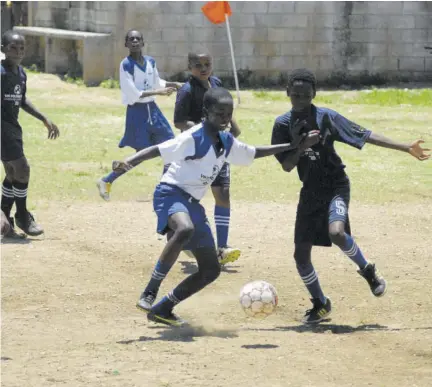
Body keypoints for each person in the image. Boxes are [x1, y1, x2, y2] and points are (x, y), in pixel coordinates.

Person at [113, 87, 309, 327]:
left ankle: (163, 308)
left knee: (211, 270)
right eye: (219, 114)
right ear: (206, 112)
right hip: (170, 193)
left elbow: (254, 152)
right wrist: (129, 162)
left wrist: (291, 145)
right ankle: (150, 291)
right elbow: (158, 150)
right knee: (184, 229)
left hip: (192, 203)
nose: (225, 119)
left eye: (228, 114)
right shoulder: (193, 137)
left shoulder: (226, 141)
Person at [271, 68, 430, 324]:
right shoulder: (281, 124)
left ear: (314, 94)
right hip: (310, 191)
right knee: (300, 256)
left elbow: (364, 135)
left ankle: (367, 270)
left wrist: (405, 147)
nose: (300, 99)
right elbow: (287, 166)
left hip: (335, 185)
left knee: (336, 232)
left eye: (305, 95)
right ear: (288, 93)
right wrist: (300, 147)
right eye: (295, 95)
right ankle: (321, 303)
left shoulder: (326, 118)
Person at [97, 29, 183, 200]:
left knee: (171, 146)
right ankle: (107, 180)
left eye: (138, 39)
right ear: (126, 44)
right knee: (142, 153)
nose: (135, 41)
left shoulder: (150, 61)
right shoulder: (126, 65)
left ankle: (164, 189)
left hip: (153, 110)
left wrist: (175, 84)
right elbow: (132, 92)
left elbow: (157, 82)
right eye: (131, 39)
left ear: (143, 43)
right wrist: (158, 92)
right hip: (137, 112)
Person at [174, 51, 241, 265]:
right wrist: (202, 128)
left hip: (219, 147)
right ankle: (182, 237)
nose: (203, 68)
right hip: (197, 151)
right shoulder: (186, 90)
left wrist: (233, 126)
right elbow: (179, 121)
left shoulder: (217, 83)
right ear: (189, 66)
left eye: (207, 64)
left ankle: (222, 247)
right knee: (191, 197)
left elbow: (225, 109)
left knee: (223, 192)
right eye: (197, 65)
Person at [1, 30, 59, 237]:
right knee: (22, 169)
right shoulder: (1, 73)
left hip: (13, 128)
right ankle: (23, 216)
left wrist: (44, 118)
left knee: (12, 173)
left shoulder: (21, 73)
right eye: (12, 48)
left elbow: (21, 99)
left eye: (21, 48)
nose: (18, 52)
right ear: (3, 50)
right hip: (2, 130)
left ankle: (6, 220)